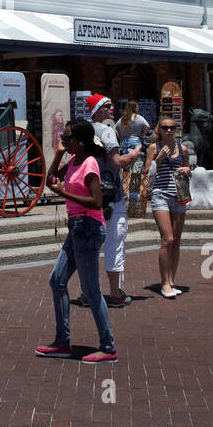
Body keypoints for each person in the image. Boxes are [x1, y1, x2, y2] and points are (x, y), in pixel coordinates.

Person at [39, 119, 117, 363]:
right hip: (76, 227)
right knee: (57, 281)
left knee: (91, 290)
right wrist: (57, 155)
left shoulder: (90, 164)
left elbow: (97, 202)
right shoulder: (73, 160)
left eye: (68, 138)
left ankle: (108, 347)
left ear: (81, 141)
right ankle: (62, 342)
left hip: (89, 227)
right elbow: (51, 179)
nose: (65, 141)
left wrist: (63, 193)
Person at [86, 94, 141, 306]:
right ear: (98, 110)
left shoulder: (86, 131)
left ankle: (87, 290)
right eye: (107, 106)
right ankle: (115, 292)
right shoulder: (107, 130)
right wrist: (133, 156)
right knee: (115, 242)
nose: (112, 109)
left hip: (90, 195)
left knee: (90, 247)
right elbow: (116, 161)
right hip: (111, 195)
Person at [145, 116, 194, 298]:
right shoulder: (154, 147)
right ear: (159, 129)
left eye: (172, 128)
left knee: (176, 240)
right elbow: (146, 173)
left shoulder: (183, 149)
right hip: (161, 195)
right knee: (167, 239)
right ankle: (164, 283)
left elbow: (188, 170)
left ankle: (172, 280)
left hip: (179, 194)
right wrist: (159, 158)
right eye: (165, 128)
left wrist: (188, 171)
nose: (168, 131)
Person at [116, 101, 150, 216]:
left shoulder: (122, 119)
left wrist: (122, 136)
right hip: (136, 144)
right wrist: (141, 134)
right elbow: (147, 126)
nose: (139, 108)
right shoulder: (138, 118)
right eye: (137, 106)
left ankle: (124, 196)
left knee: (125, 171)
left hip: (124, 144)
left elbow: (116, 129)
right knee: (136, 172)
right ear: (134, 108)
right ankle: (134, 200)